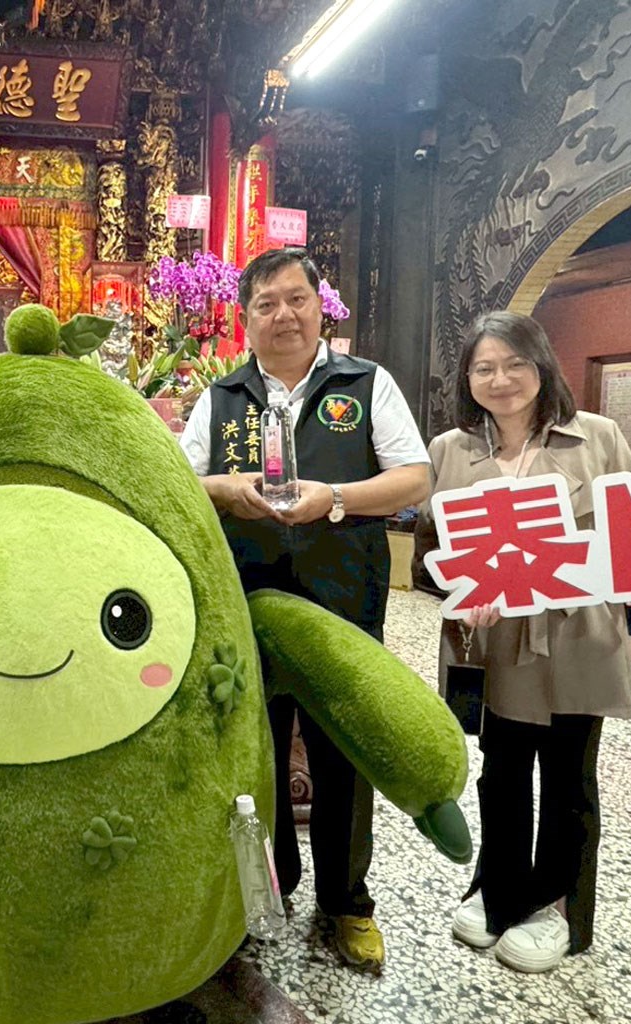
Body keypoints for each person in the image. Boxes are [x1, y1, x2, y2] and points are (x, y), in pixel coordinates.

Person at [179, 247, 431, 972]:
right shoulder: (221, 396)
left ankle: (347, 902)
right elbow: (181, 480)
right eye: (266, 304)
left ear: (321, 307)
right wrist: (226, 490)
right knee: (254, 747)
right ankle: (271, 886)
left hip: (342, 598)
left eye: (297, 299)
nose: (283, 315)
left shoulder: (366, 383)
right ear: (245, 318)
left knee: (343, 749)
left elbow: (415, 477)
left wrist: (337, 498)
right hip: (249, 601)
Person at [416, 310, 631, 974]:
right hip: (494, 642)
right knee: (501, 770)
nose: (500, 379)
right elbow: (430, 555)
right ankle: (497, 887)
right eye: (484, 367)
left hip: (576, 635)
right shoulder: (449, 450)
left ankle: (559, 907)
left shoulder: (597, 437)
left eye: (515, 363)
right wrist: (460, 591)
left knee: (568, 776)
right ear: (467, 378)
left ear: (542, 366)